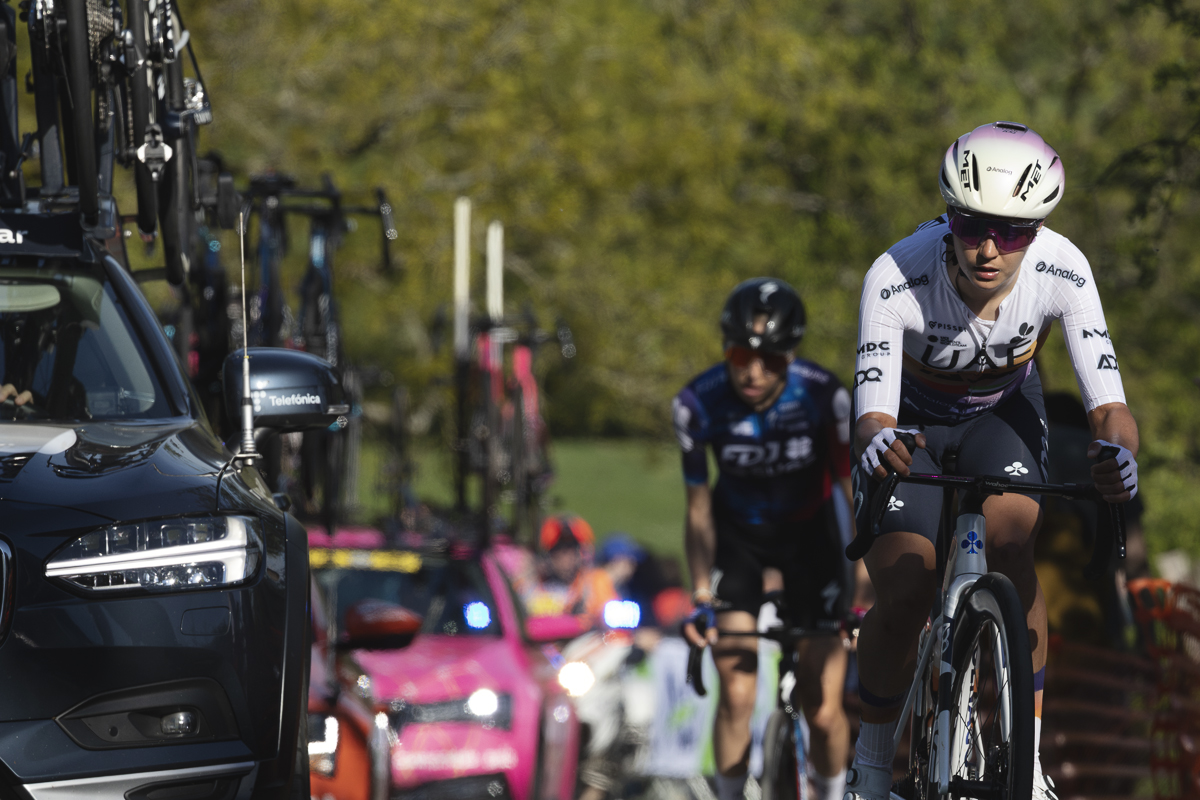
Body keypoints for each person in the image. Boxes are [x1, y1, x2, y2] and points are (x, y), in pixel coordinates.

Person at [846, 121, 1139, 800]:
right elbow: (873, 414)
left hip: (1000, 417)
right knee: (909, 588)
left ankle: (1026, 761)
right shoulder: (897, 274)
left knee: (1012, 544)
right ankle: (871, 760)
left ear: (1037, 231)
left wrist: (1120, 458)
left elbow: (1110, 410)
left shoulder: (1063, 269)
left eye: (1012, 232)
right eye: (971, 224)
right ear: (947, 216)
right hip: (909, 425)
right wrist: (877, 446)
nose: (988, 248)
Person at [675, 277, 855, 800]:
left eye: (772, 361)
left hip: (812, 541)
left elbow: (849, 491)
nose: (753, 372)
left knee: (824, 707)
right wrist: (701, 594)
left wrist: (861, 587)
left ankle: (830, 792)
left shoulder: (825, 395)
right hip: (739, 542)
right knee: (736, 691)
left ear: (791, 357)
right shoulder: (697, 403)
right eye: (740, 355)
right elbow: (698, 508)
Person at [519, 514, 618, 622]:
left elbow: (614, 630)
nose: (567, 557)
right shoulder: (529, 587)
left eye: (572, 548)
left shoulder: (596, 581)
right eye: (559, 549)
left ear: (582, 553)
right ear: (546, 555)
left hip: (586, 637)